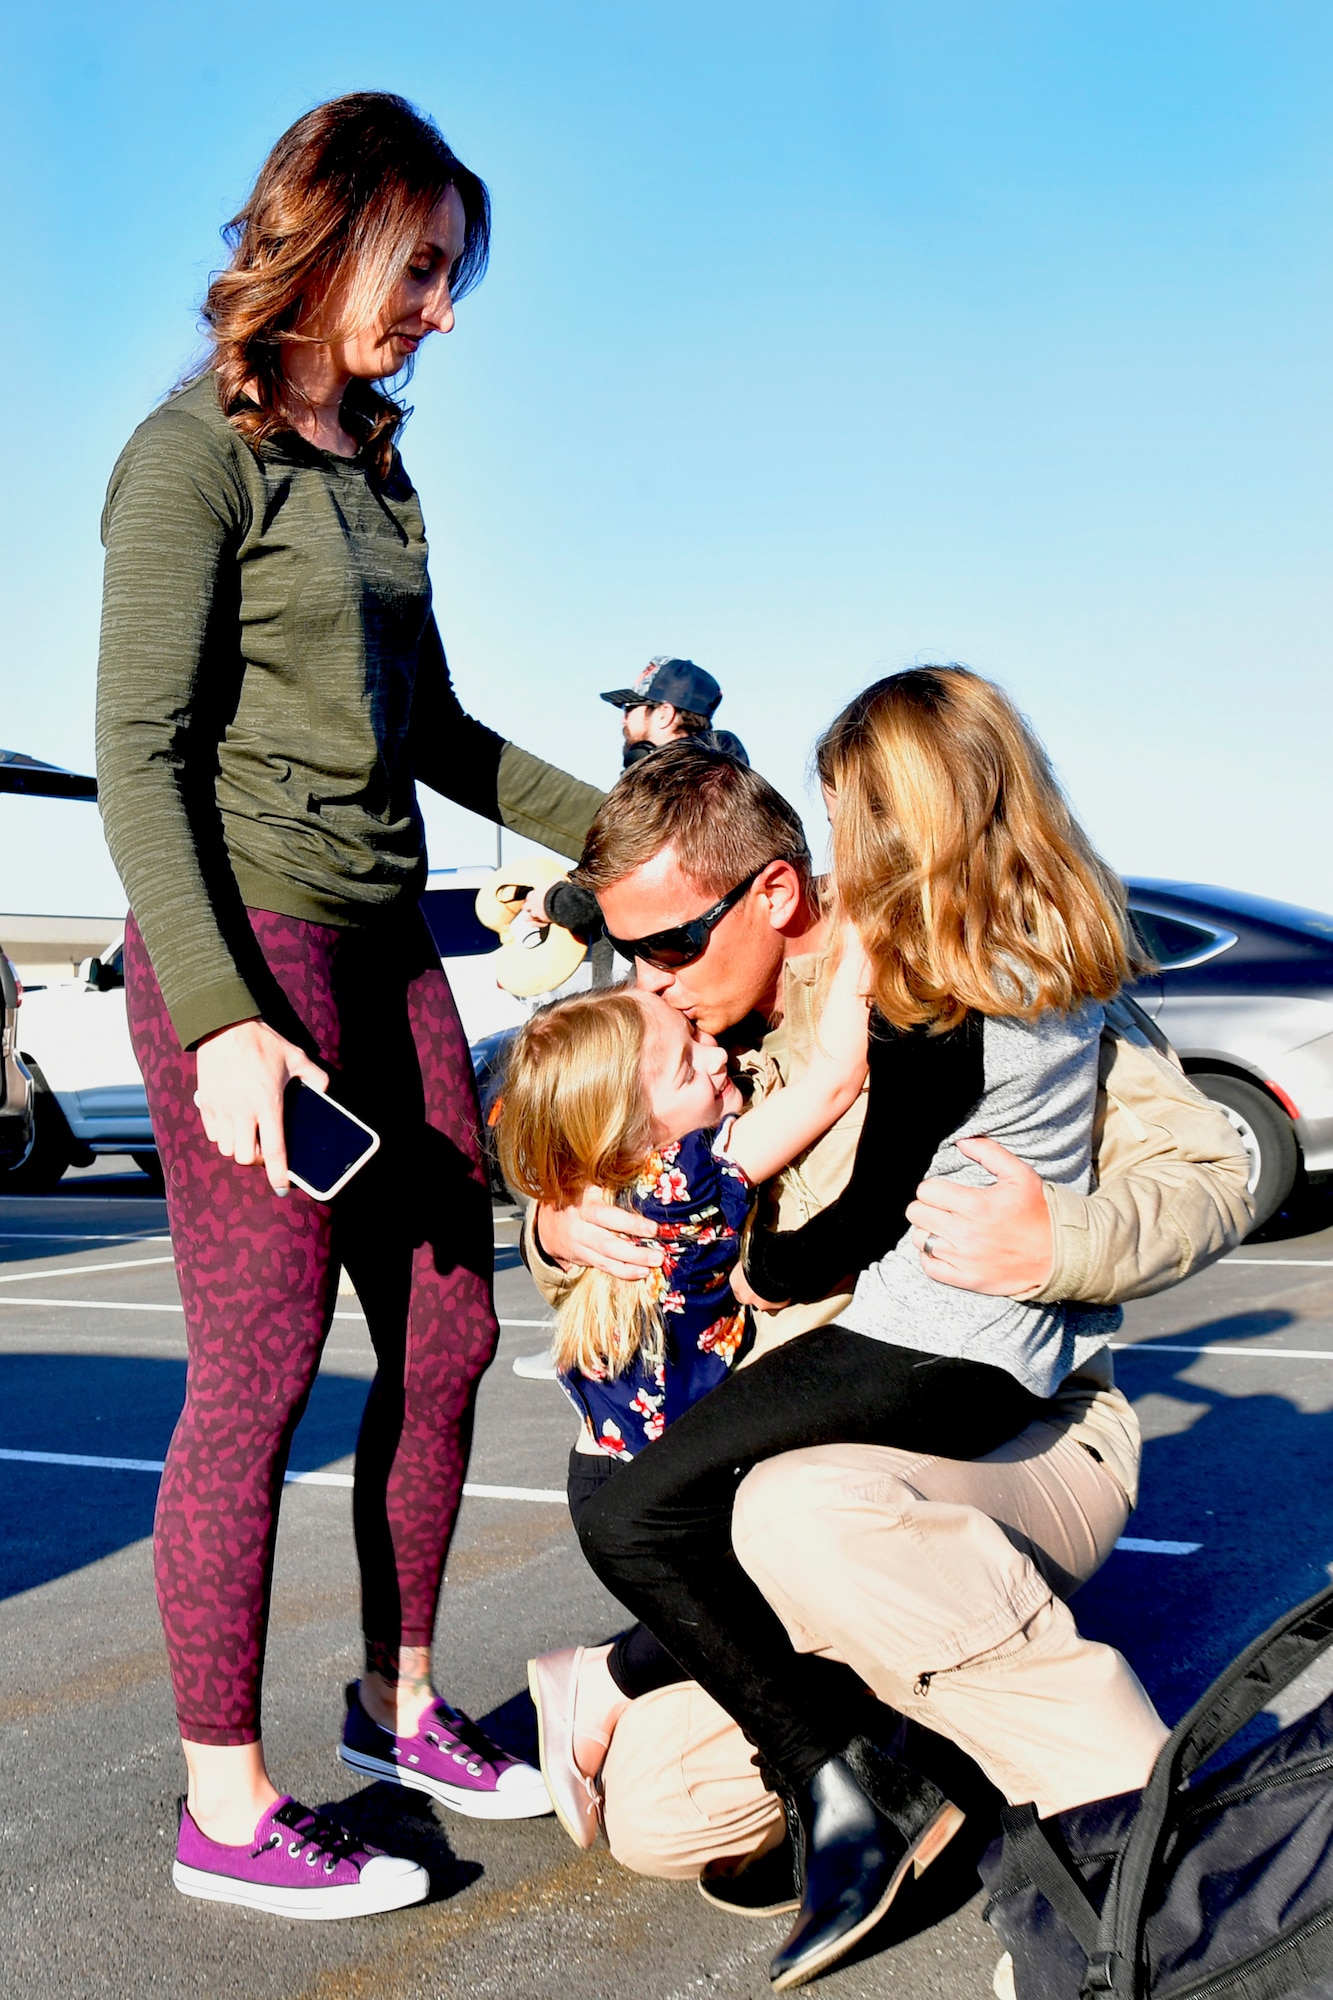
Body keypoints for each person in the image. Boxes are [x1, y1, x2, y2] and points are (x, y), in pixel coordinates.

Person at [94, 93, 606, 1919]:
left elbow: (440, 735)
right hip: (251, 950)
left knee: (455, 1338)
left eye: (454, 278)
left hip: (389, 947)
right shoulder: (191, 462)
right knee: (257, 1365)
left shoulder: (376, 471)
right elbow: (136, 763)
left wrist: (629, 836)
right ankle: (223, 1809)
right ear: (327, 235)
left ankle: (399, 1709)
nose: (443, 311)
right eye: (425, 269)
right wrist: (229, 1019)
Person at [523, 735, 1251, 1982]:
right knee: (660, 1810)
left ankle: (1151, 1886)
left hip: (1017, 1435)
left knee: (809, 1510)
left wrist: (1055, 1237)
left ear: (775, 891)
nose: (653, 980)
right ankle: (928, 1754)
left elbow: (1214, 1167)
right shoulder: (695, 1036)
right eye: (630, 952)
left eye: (672, 944)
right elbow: (594, 1150)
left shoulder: (953, 968)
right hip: (789, 1455)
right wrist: (559, 1219)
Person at [495, 941, 870, 1841]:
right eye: (684, 1061)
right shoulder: (688, 1181)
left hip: (629, 1468)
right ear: (632, 1130)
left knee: (753, 1601)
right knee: (767, 1591)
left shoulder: (611, 1178)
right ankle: (615, 1689)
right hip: (660, 1482)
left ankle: (601, 1684)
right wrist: (860, 946)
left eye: (696, 1037)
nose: (717, 1056)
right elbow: (829, 1083)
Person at [601, 656, 750, 769]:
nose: (624, 720)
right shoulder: (718, 781)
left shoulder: (681, 792)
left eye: (629, 709)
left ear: (664, 715)